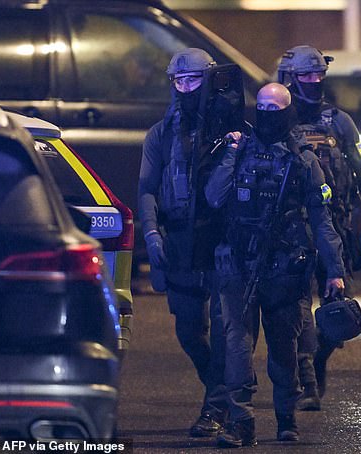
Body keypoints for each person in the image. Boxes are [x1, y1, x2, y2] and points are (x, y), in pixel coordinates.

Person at [205, 82, 346, 447]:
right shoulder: (239, 150)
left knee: (284, 348)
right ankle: (242, 422)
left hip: (285, 268)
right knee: (236, 346)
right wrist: (231, 154)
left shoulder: (303, 160)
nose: (267, 116)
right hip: (239, 263)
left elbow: (321, 219)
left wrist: (335, 271)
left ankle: (287, 418)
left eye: (274, 109)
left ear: (287, 112)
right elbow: (214, 196)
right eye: (262, 108)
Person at [276, 45, 361, 408]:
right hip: (292, 233)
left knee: (339, 309)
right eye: (307, 75)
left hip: (333, 228)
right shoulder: (277, 120)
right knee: (296, 308)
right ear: (290, 78)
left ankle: (317, 360)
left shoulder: (339, 121)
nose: (315, 81)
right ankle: (307, 379)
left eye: (319, 74)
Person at [138, 48, 228, 437]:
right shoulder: (161, 134)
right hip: (180, 239)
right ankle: (220, 388)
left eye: (193, 80)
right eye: (180, 81)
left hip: (221, 240)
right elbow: (145, 188)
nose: (186, 88)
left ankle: (218, 407)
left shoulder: (229, 128)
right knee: (190, 332)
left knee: (228, 330)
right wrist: (152, 232)